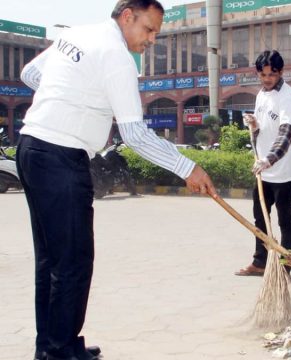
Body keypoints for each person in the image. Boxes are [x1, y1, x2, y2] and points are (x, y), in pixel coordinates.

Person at [17, 1, 216, 359]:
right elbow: (135, 135)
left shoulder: (76, 34)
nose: (152, 39)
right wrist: (190, 168)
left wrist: (72, 96)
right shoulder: (117, 56)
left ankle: (52, 346)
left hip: (31, 149)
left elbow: (30, 75)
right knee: (74, 261)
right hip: (61, 159)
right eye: (149, 29)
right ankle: (60, 351)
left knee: (52, 261)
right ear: (127, 16)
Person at [235, 50, 291, 278]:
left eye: (271, 74)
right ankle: (260, 262)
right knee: (260, 219)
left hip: (283, 172)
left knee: (284, 220)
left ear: (281, 72)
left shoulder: (289, 98)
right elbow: (263, 130)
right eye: (262, 75)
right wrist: (254, 124)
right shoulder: (261, 95)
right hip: (263, 172)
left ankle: (285, 267)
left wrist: (269, 160)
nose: (267, 79)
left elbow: (286, 134)